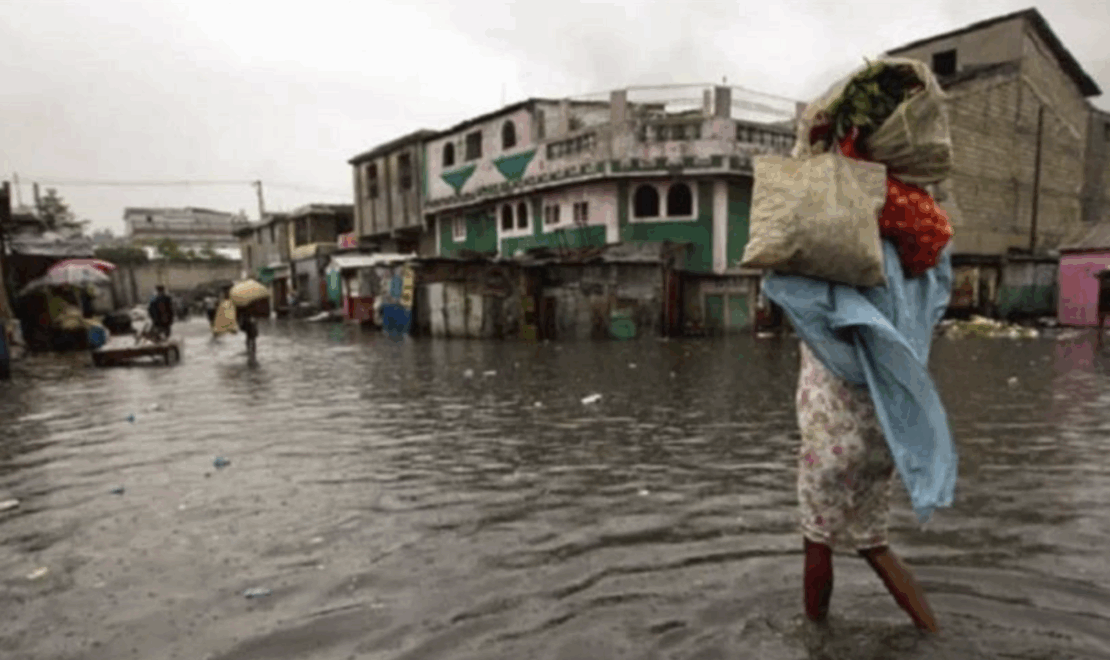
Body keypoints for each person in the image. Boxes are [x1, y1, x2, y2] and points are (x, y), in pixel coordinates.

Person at [1097, 269, 1110, 348]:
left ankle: (1099, 340)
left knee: (1101, 322)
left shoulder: (1103, 282)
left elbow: (1097, 276)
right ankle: (1099, 340)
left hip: (1103, 303)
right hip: (1103, 303)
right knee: (1101, 322)